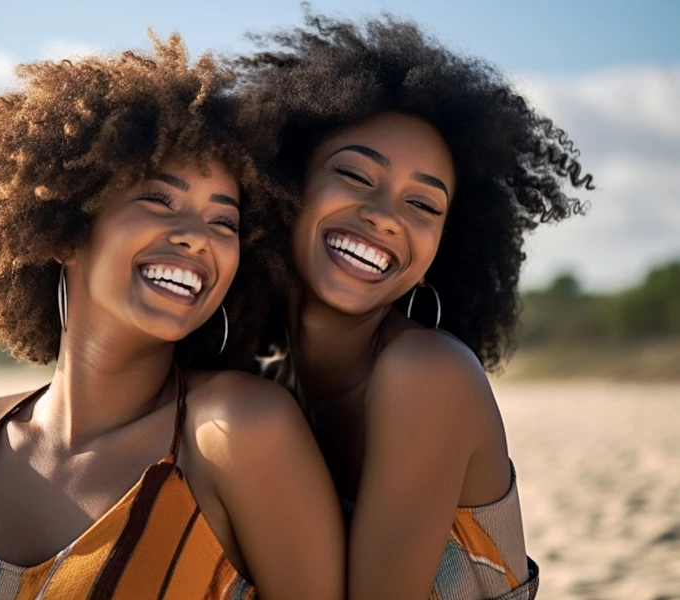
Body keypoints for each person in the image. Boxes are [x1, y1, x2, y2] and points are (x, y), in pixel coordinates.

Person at [0, 33, 344, 600]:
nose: (197, 238)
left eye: (223, 222)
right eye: (158, 200)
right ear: (66, 232)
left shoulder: (236, 433)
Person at [235, 12, 594, 600]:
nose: (385, 215)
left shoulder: (428, 375)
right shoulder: (260, 385)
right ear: (285, 184)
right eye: (354, 174)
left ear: (441, 251)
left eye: (424, 206)